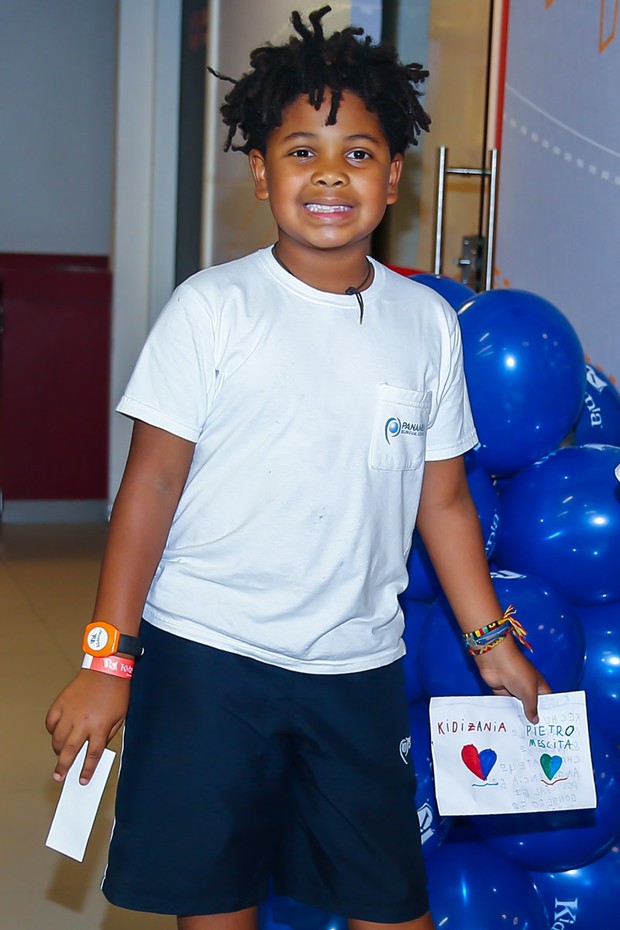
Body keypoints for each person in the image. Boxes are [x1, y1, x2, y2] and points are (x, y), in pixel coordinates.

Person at [46, 7, 549, 930]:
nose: (329, 174)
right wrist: (107, 662)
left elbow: (441, 500)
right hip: (209, 658)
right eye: (301, 151)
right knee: (219, 904)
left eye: (358, 154)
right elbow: (148, 489)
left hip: (356, 668)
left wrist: (492, 642)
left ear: (395, 178)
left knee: (389, 903)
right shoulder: (212, 310)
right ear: (260, 170)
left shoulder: (426, 325)